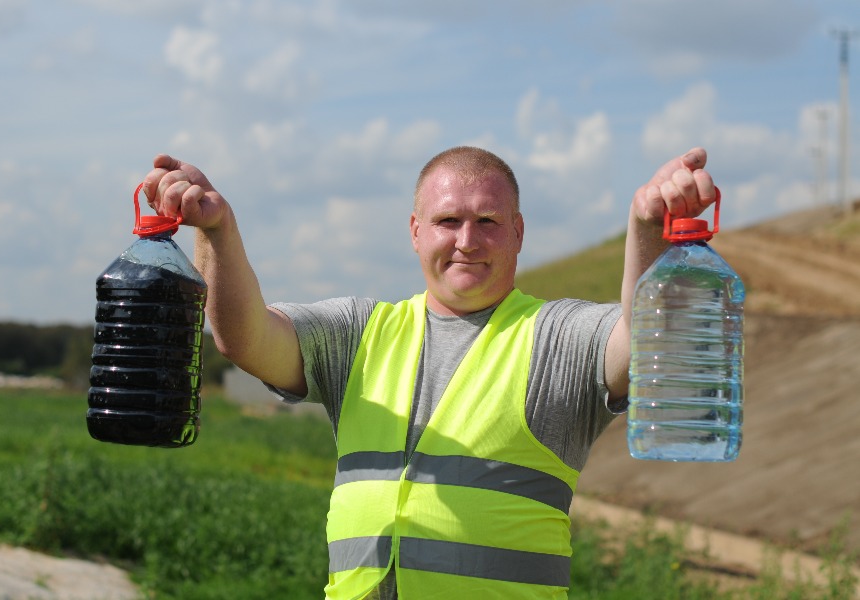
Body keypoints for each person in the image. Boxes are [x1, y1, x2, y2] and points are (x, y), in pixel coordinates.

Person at [142, 146, 718, 600]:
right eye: (448, 220)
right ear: (416, 232)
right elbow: (245, 338)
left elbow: (647, 345)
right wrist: (215, 229)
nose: (467, 241)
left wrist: (647, 230)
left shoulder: (556, 336)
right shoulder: (359, 333)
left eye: (488, 221)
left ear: (518, 233)